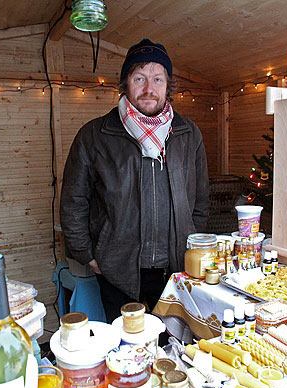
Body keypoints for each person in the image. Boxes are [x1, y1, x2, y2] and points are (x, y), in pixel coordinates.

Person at [60, 38, 209, 322]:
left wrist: (189, 242)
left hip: (174, 268)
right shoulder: (94, 135)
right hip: (116, 269)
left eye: (157, 79)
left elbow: (200, 200)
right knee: (124, 350)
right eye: (139, 78)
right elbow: (73, 201)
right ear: (126, 83)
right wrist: (88, 255)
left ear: (168, 85)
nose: (149, 89)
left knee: (172, 345)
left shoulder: (189, 134)